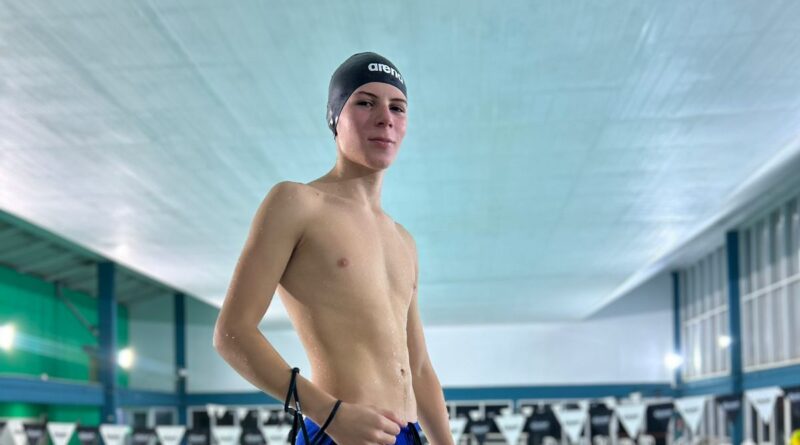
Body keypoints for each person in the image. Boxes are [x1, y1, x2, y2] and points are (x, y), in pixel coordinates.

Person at [213, 52, 452, 445]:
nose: (385, 118)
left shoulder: (403, 240)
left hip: (408, 435)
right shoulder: (297, 203)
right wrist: (329, 414)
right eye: (365, 102)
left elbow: (420, 367)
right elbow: (231, 332)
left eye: (397, 107)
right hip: (338, 431)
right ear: (334, 117)